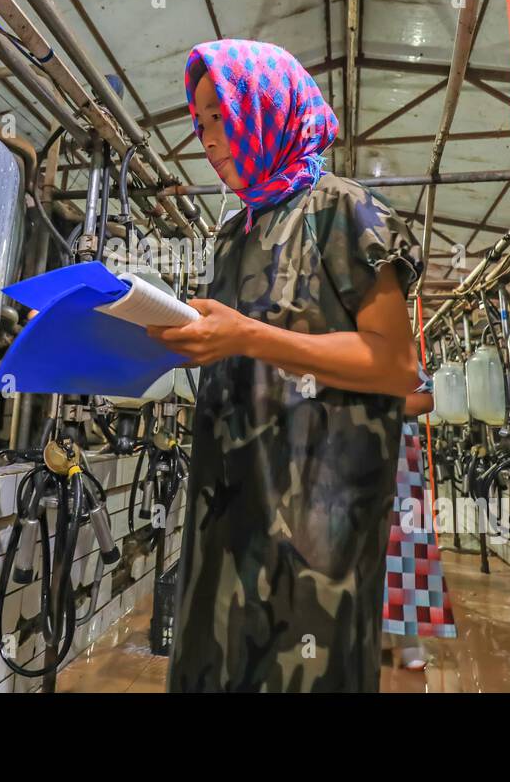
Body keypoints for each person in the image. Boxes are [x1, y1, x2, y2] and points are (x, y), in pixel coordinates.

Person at [149, 39, 421, 692]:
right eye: (201, 121)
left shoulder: (344, 209)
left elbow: (394, 367)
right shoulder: (234, 235)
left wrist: (247, 336)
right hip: (227, 516)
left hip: (316, 526)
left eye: (222, 115)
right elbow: (234, 351)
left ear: (266, 108)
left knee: (304, 672)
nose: (208, 138)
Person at [383, 367, 457, 672]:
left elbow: (425, 401)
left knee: (405, 551)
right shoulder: (331, 346)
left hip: (400, 468)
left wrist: (376, 402)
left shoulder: (396, 353)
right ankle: (371, 636)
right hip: (349, 466)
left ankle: (409, 639)